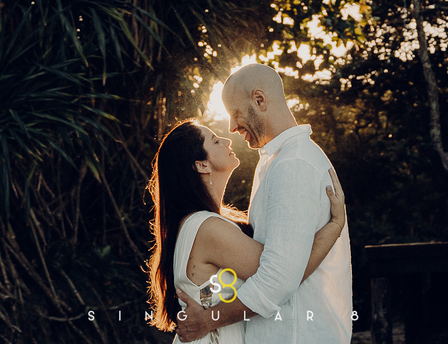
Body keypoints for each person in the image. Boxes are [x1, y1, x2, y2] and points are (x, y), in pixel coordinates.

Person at [176, 64, 353, 343]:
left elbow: (277, 277)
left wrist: (207, 320)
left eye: (235, 114)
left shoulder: (293, 163)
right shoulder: (273, 163)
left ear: (259, 100)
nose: (232, 128)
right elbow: (235, 277)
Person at [147, 119, 346, 343]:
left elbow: (214, 293)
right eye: (215, 140)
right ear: (202, 165)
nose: (227, 140)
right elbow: (284, 275)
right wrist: (335, 225)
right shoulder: (209, 228)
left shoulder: (201, 223)